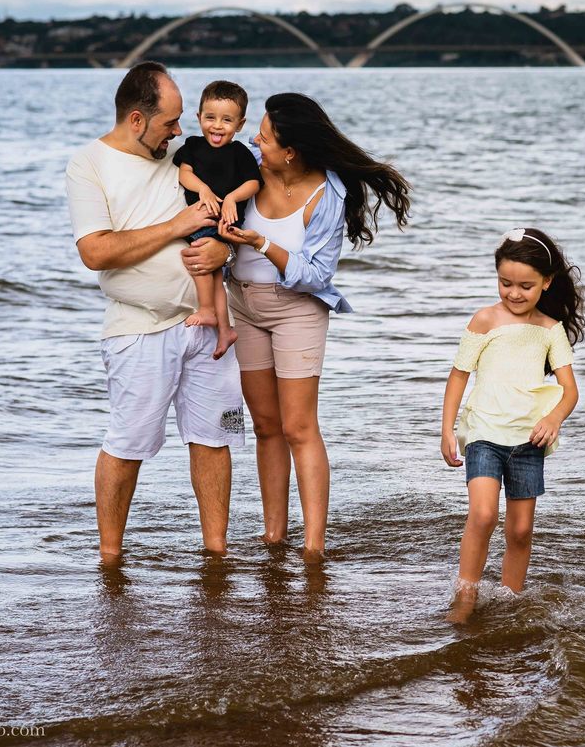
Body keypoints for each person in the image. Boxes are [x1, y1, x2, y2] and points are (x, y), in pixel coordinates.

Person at [179, 92, 410, 563]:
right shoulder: (246, 172)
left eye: (263, 136)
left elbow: (316, 275)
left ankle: (313, 546)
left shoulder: (328, 193)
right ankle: (273, 538)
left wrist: (261, 241)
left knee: (299, 427)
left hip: (297, 311)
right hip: (243, 306)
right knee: (266, 426)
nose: (253, 139)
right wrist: (224, 250)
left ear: (291, 151)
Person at [65, 61, 245, 560]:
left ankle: (217, 555)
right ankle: (110, 559)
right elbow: (95, 252)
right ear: (138, 120)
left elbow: (231, 214)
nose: (181, 131)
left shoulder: (184, 156)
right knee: (128, 442)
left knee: (213, 439)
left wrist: (223, 252)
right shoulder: (90, 165)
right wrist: (174, 226)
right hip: (138, 329)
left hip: (209, 326)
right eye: (170, 122)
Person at [440, 228, 583, 623]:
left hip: (529, 441)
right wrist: (447, 428)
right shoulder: (485, 320)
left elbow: (570, 391)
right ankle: (465, 599)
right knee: (484, 515)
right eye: (506, 283)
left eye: (525, 286)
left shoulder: (551, 330)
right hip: (484, 434)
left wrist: (553, 418)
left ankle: (510, 602)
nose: (514, 294)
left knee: (520, 531)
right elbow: (458, 376)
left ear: (546, 283)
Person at [173, 80, 261, 360]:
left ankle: (207, 310)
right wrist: (203, 189)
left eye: (227, 120)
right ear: (199, 118)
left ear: (240, 123)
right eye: (210, 118)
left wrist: (233, 198)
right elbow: (183, 173)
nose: (217, 126)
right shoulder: (193, 146)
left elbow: (254, 183)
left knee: (200, 262)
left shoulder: (240, 154)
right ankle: (225, 329)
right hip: (202, 216)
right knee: (212, 274)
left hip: (224, 220)